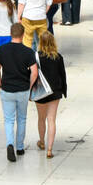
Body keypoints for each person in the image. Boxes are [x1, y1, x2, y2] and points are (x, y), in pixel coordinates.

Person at [0, 22, 39, 162]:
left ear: (10, 34)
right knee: (22, 118)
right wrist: (29, 86)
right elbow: (34, 72)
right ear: (23, 35)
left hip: (7, 88)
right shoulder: (28, 51)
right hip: (23, 89)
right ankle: (20, 147)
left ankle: (9, 144)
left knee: (8, 120)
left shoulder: (2, 49)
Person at [34, 30, 67, 158]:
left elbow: (33, 74)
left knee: (41, 118)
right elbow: (62, 75)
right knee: (51, 119)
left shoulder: (36, 56)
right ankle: (50, 149)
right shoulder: (58, 57)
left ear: (40, 42)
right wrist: (64, 90)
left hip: (41, 92)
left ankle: (42, 142)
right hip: (55, 91)